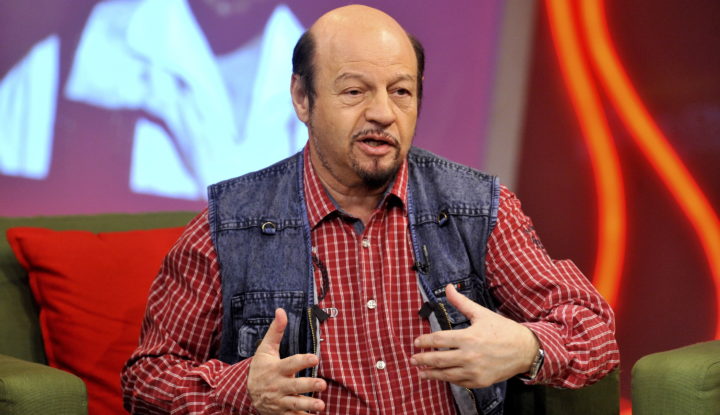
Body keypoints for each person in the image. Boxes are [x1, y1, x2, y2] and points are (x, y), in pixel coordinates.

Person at [122, 5, 619, 414]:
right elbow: (147, 379)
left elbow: (594, 331)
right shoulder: (230, 224)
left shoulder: (476, 207)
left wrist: (527, 348)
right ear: (302, 98)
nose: (383, 113)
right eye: (355, 91)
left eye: (401, 91)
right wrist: (243, 390)